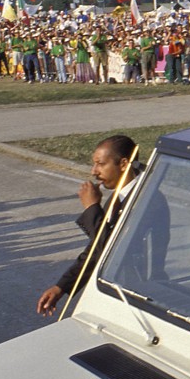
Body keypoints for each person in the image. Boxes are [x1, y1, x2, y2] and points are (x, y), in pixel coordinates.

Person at [36, 135, 165, 316]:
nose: (94, 172)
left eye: (101, 164)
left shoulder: (148, 200)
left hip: (139, 297)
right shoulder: (116, 197)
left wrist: (91, 208)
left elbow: (112, 248)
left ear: (123, 164)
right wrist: (62, 287)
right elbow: (96, 250)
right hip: (116, 290)